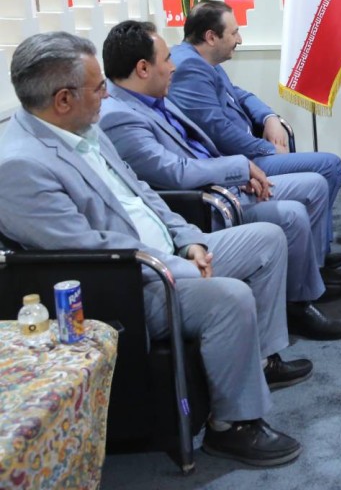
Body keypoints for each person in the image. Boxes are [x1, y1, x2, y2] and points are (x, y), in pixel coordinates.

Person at [0, 32, 310, 467]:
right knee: (229, 296)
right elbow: (87, 250)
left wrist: (189, 240)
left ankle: (258, 363)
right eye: (99, 86)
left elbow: (143, 193)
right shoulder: (20, 166)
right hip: (129, 284)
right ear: (64, 99)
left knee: (268, 239)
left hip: (168, 253)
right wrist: (177, 267)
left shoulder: (83, 127)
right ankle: (232, 425)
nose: (108, 94)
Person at [99, 21, 341, 341]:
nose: (172, 66)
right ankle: (296, 306)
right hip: (207, 202)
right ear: (143, 68)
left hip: (225, 180)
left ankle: (305, 285)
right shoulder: (119, 116)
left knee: (313, 185)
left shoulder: (153, 95)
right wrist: (236, 168)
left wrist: (254, 140)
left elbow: (229, 108)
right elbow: (174, 172)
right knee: (292, 213)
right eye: (166, 59)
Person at [167, 0, 341, 260]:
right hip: (240, 161)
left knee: (324, 167)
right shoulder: (189, 68)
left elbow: (239, 94)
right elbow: (218, 132)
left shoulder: (201, 60)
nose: (239, 39)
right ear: (211, 37)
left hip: (249, 152)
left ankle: (312, 250)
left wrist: (269, 117)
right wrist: (268, 150)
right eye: (234, 33)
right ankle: (316, 258)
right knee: (328, 166)